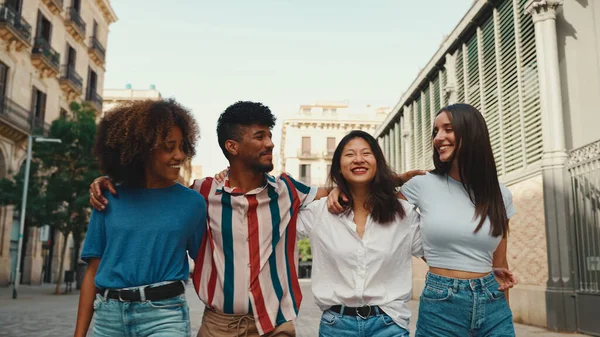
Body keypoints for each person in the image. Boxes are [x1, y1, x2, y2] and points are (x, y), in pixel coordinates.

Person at [329, 103, 518, 336]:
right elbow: (376, 208)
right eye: (436, 132)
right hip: (442, 304)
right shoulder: (422, 185)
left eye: (448, 129)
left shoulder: (500, 194)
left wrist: (505, 312)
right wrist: (339, 189)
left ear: (471, 132)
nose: (439, 138)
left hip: (493, 305)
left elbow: (501, 264)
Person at [74, 99, 207, 337]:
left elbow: (207, 264)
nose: (179, 155)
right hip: (109, 318)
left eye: (182, 146)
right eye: (169, 147)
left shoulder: (192, 203)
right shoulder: (108, 197)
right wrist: (79, 334)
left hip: (164, 317)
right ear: (142, 150)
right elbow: (93, 271)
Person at [297, 130, 422, 337]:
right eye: (349, 154)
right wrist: (331, 190)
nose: (358, 159)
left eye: (366, 153)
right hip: (336, 326)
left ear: (377, 162)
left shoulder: (404, 213)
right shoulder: (319, 213)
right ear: (338, 165)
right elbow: (279, 206)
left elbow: (437, 255)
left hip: (389, 324)